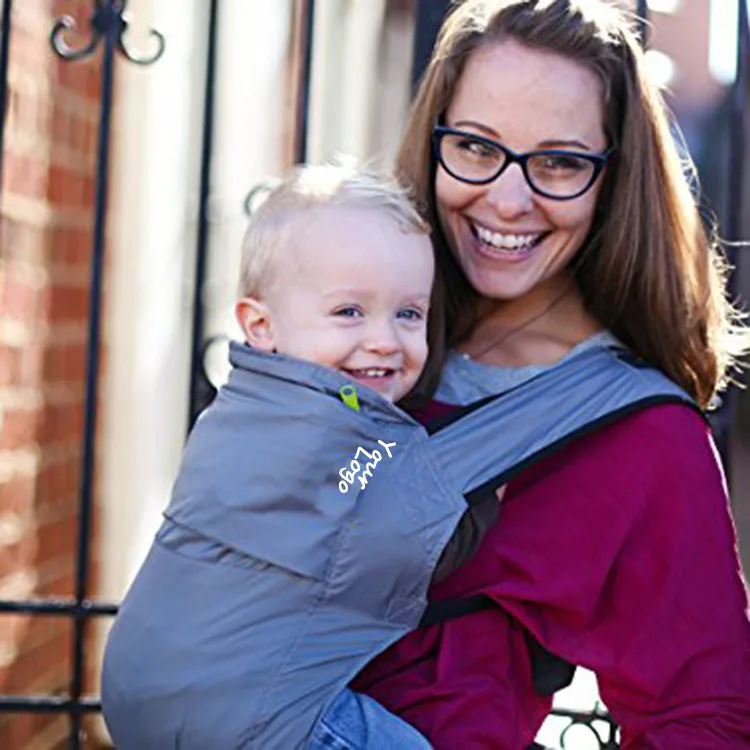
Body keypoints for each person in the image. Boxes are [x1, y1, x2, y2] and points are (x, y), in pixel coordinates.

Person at [351, 1, 750, 748]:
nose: (506, 199)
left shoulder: (642, 436)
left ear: (613, 178)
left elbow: (700, 717)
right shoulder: (353, 336)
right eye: (474, 147)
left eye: (559, 162)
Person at [101, 164, 503, 750]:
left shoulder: (241, 411)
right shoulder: (337, 436)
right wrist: (488, 492)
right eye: (349, 312)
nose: (385, 340)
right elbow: (390, 534)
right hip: (245, 710)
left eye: (409, 313)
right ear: (260, 326)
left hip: (141, 683)